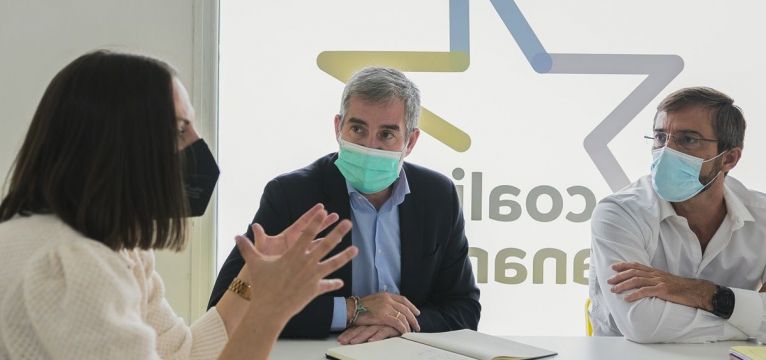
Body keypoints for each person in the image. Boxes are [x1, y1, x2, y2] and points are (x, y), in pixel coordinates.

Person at [0, 50, 357, 360]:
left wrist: (252, 278)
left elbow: (183, 353)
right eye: (179, 130)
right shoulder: (74, 264)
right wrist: (271, 311)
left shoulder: (121, 250)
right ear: (119, 145)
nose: (198, 145)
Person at [209, 67, 480, 344]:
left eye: (386, 135)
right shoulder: (291, 195)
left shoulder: (438, 196)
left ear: (410, 141)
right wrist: (351, 310)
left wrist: (400, 324)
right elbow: (224, 305)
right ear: (338, 127)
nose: (369, 146)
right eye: (358, 129)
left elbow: (465, 308)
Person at [589, 87, 766, 343]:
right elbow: (643, 324)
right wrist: (749, 320)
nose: (666, 150)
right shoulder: (619, 213)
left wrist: (703, 292)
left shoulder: (762, 216)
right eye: (660, 137)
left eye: (688, 140)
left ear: (729, 158)